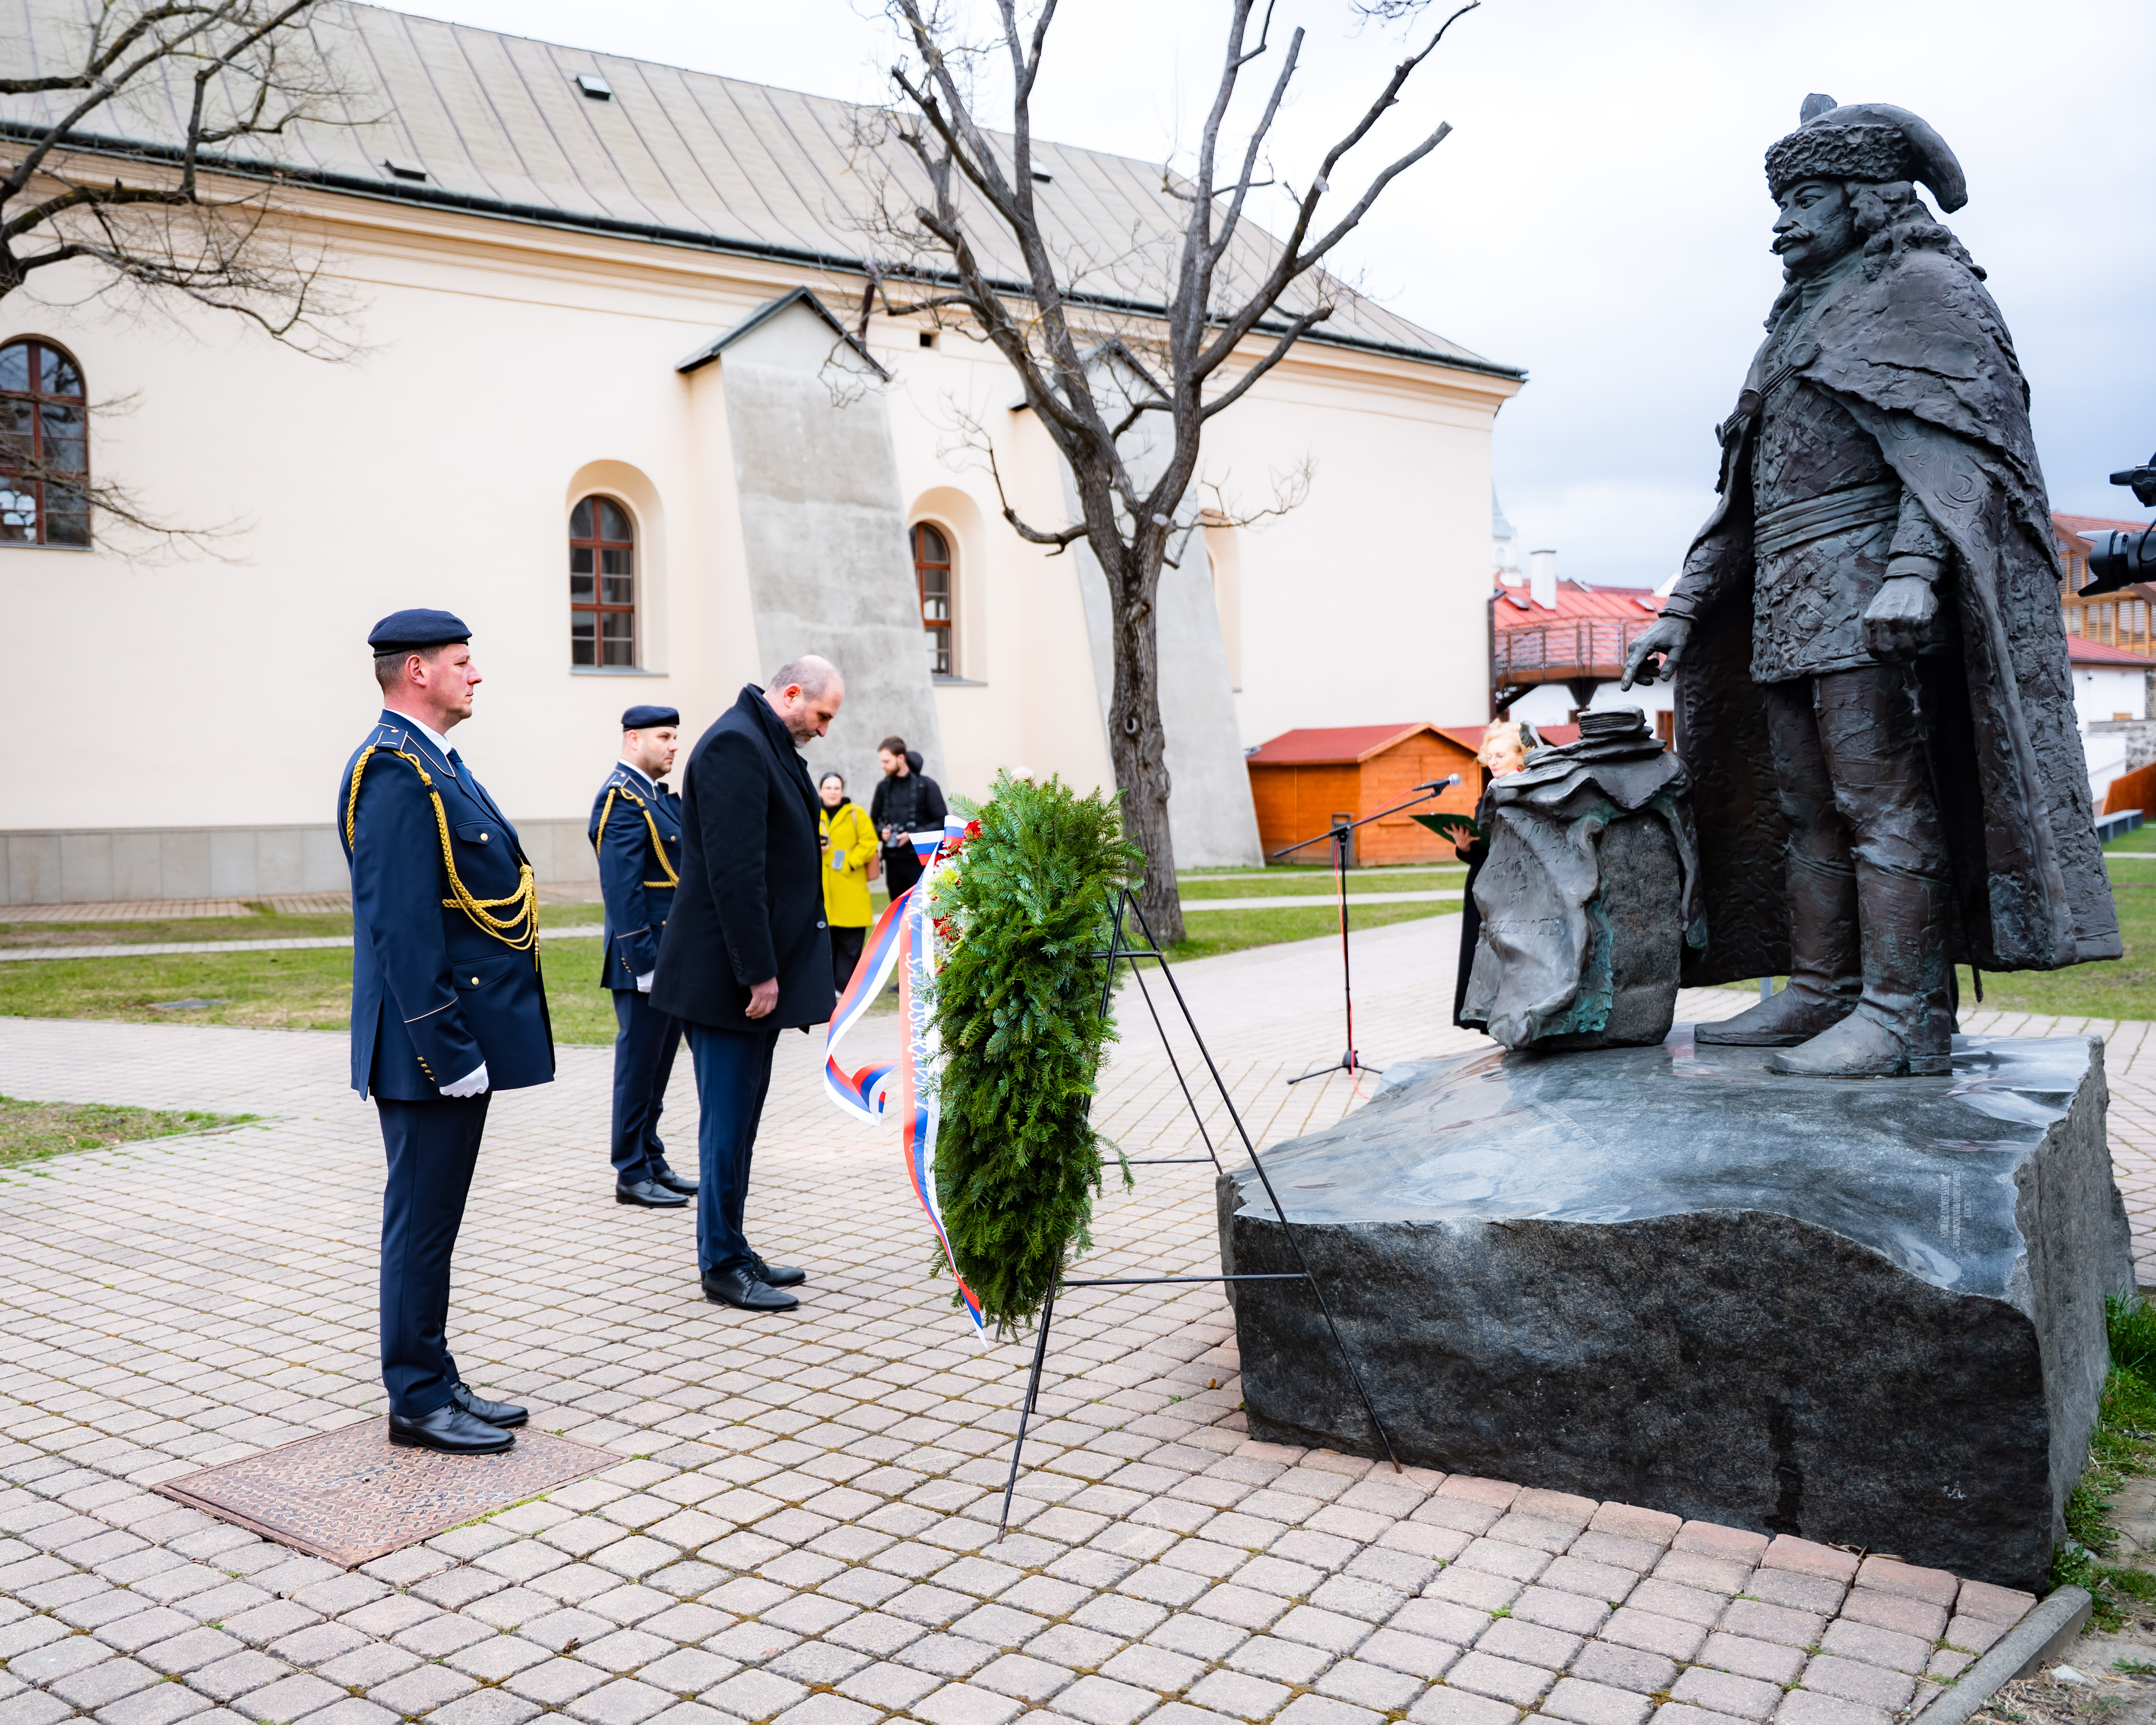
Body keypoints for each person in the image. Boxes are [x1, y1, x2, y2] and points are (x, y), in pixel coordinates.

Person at [1622, 96, 2117, 1077]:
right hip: (1784, 603)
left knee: (1881, 801)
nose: (1782, 221)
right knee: (1808, 809)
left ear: (1863, 197)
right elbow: (1746, 501)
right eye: (1782, 201)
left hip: (1871, 599)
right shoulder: (1797, 319)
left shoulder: (1927, 289)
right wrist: (1682, 609)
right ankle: (1822, 992)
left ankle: (1903, 1013)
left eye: (1805, 197)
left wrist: (1911, 573)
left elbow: (1958, 455)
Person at [339, 609, 554, 1454]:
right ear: (417, 670)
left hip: (450, 1040)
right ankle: (417, 1397)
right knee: (421, 1220)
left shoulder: (435, 764)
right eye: (463, 663)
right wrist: (447, 1047)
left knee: (436, 1218)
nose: (477, 675)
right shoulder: (394, 771)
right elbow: (399, 928)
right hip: (428, 1047)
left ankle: (436, 1370)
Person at [652, 657, 844, 1311]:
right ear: (791, 694)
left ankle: (733, 1241)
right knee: (727, 1126)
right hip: (726, 982)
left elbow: (768, 847)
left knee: (741, 1125)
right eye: (820, 715)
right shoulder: (738, 742)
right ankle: (722, 1265)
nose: (822, 732)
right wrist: (758, 973)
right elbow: (735, 874)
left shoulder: (764, 738)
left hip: (743, 979)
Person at [590, 704, 697, 1211]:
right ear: (634, 740)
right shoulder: (622, 799)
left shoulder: (655, 797)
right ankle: (630, 1171)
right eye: (664, 736)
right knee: (638, 1065)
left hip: (669, 957)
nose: (674, 745)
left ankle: (651, 1157)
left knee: (656, 1067)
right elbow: (622, 890)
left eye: (676, 736)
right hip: (645, 960)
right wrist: (646, 963)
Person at [1452, 719, 1538, 1030]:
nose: (1493, 762)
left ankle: (1515, 1020)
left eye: (1500, 755)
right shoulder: (1490, 792)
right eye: (1489, 756)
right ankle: (1486, 1017)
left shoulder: (1530, 789)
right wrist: (1465, 848)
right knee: (1483, 954)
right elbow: (1485, 849)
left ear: (1520, 755)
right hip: (1485, 886)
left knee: (1511, 956)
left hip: (1516, 890)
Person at [818, 771, 878, 995]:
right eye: (828, 788)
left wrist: (849, 863)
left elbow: (870, 843)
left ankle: (845, 988)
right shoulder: (812, 813)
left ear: (842, 791)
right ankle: (828, 988)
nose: (833, 792)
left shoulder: (856, 813)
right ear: (820, 791)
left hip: (850, 888)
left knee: (851, 943)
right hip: (823, 890)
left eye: (837, 788)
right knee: (827, 943)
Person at [868, 737, 947, 900]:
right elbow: (872, 822)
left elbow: (942, 822)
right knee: (897, 915)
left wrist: (912, 835)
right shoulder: (883, 787)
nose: (883, 766)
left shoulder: (927, 786)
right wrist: (881, 833)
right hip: (893, 864)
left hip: (921, 863)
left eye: (887, 761)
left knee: (922, 913)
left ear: (901, 758)